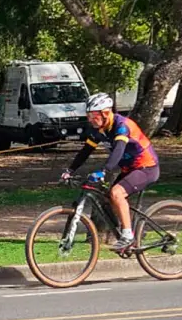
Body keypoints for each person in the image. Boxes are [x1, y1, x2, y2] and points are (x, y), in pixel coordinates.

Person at [61, 92, 160, 250]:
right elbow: (85, 151)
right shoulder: (99, 129)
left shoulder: (122, 126)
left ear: (106, 113)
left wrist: (104, 171)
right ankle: (132, 231)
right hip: (129, 169)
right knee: (109, 198)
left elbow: (118, 150)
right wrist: (70, 170)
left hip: (146, 167)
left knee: (117, 193)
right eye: (88, 116)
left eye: (94, 115)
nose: (90, 119)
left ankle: (127, 235)